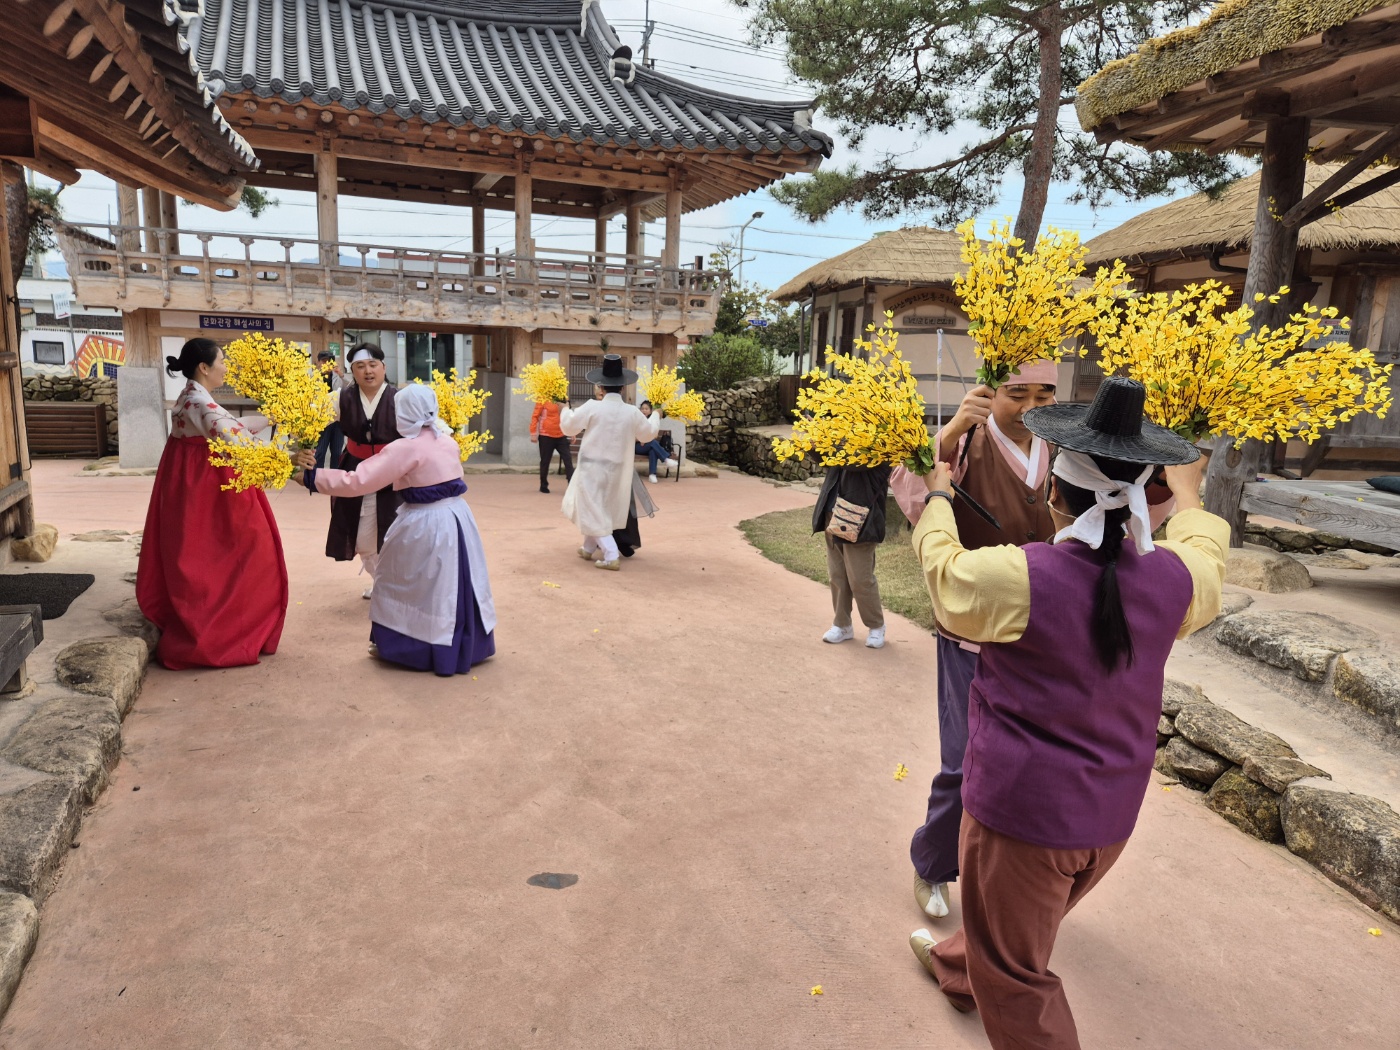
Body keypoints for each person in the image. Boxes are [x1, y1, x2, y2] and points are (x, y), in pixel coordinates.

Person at [906, 376, 1227, 1050]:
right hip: (1109, 818)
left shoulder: (1021, 578)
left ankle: (982, 971)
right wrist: (1193, 493)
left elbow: (943, 573)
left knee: (1018, 977)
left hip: (1022, 817)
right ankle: (959, 966)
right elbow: (1204, 547)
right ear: (1150, 490)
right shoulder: (1176, 580)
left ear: (1055, 490)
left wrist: (937, 495)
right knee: (1024, 920)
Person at [897, 361, 1060, 921]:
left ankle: (1008, 876)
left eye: (1045, 393)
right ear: (993, 392)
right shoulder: (965, 445)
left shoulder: (1059, 448)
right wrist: (947, 435)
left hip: (1042, 632)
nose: (1032, 407)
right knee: (965, 758)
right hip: (972, 628)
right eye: (1018, 393)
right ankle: (934, 863)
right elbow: (916, 502)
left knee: (1030, 763)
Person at [296, 384, 496, 676]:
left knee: (402, 580)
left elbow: (358, 480)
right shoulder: (447, 439)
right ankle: (466, 643)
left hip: (424, 524)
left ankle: (407, 645)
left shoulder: (405, 447)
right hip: (457, 519)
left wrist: (311, 478)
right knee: (453, 583)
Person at [135, 338, 289, 670]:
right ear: (204, 368)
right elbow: (234, 437)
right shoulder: (199, 403)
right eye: (222, 361)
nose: (226, 366)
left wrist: (270, 417)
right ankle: (220, 635)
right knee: (229, 555)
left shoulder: (194, 396)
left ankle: (223, 626)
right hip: (206, 487)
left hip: (197, 483)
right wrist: (285, 455)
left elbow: (231, 426)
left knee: (199, 554)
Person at [560, 354, 660, 570]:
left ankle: (610, 553)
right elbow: (648, 434)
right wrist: (657, 414)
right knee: (602, 507)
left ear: (601, 387)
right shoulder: (632, 412)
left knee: (592, 506)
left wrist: (565, 409)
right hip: (618, 470)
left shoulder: (592, 407)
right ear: (622, 388)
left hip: (591, 467)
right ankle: (588, 547)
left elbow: (568, 427)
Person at [326, 343, 402, 598]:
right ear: (352, 371)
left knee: (394, 531)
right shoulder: (340, 398)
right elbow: (307, 418)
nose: (367, 371)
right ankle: (381, 580)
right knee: (360, 536)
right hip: (355, 472)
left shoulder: (399, 399)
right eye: (360, 366)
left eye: (373, 365)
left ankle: (390, 585)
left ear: (384, 367)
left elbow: (430, 426)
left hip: (393, 473)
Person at [812, 462, 891, 649]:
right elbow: (823, 456)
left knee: (860, 578)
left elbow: (855, 462)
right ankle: (842, 624)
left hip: (859, 518)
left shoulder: (878, 443)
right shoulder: (840, 442)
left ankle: (876, 626)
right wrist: (814, 441)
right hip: (833, 512)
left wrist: (833, 442)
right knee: (837, 575)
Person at [530, 391, 573, 494]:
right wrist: (533, 432)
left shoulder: (564, 397)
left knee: (568, 460)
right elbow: (535, 416)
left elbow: (569, 416)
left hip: (561, 434)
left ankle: (571, 485)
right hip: (546, 435)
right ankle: (543, 485)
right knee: (545, 461)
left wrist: (572, 432)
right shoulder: (542, 398)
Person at [313, 349, 346, 469]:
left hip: (337, 420)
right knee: (319, 452)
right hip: (321, 420)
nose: (326, 363)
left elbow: (351, 390)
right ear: (318, 362)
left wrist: (342, 376)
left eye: (329, 361)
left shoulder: (338, 377)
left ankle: (334, 481)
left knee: (337, 452)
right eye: (324, 361)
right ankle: (317, 479)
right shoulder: (312, 377)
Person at [636, 400, 677, 483]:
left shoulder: (653, 421)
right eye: (642, 408)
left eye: (646, 409)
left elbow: (655, 435)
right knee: (653, 443)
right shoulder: (637, 420)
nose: (644, 410)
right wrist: (641, 439)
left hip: (648, 445)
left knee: (653, 450)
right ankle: (666, 459)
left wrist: (646, 439)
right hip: (638, 446)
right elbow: (632, 435)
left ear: (651, 411)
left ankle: (652, 475)